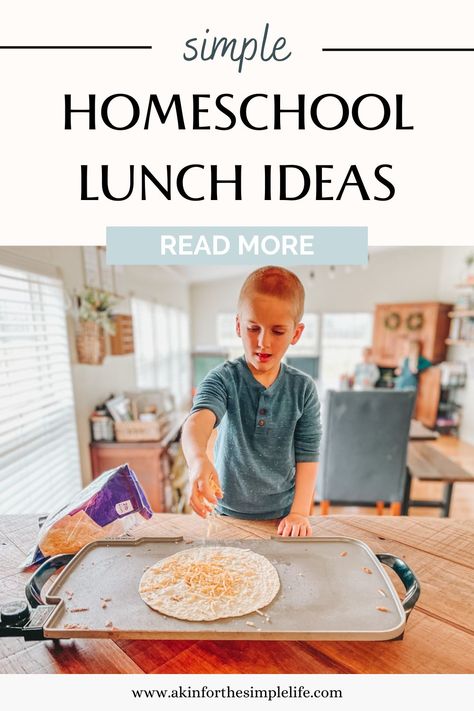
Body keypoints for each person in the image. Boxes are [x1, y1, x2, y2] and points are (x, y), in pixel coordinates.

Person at [181, 266, 321, 537]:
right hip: (226, 513)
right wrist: (198, 459)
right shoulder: (223, 378)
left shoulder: (303, 388)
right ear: (237, 326)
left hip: (282, 517)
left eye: (278, 331)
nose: (262, 342)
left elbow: (308, 453)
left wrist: (300, 512)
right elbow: (197, 421)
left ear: (296, 333)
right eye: (253, 328)